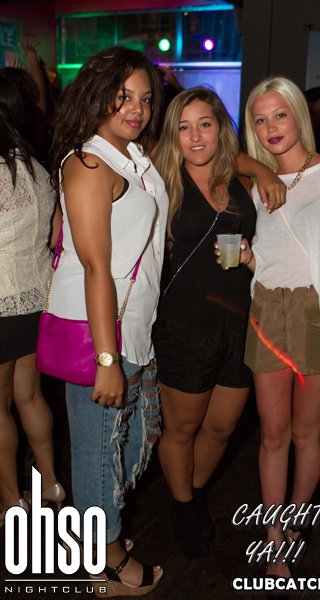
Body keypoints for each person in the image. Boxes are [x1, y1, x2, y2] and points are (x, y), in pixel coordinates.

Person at [229, 76, 320, 580]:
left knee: (304, 432)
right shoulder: (257, 185)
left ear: (299, 116)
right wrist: (248, 258)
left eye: (280, 115)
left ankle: (295, 520)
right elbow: (273, 258)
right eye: (260, 119)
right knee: (272, 435)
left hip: (319, 314)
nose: (271, 127)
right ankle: (273, 538)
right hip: (268, 311)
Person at [49, 47, 168, 596]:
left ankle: (103, 534)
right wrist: (106, 360)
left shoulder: (130, 157)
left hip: (134, 326)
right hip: (100, 335)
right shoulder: (90, 163)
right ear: (98, 96)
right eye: (124, 97)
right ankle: (107, 561)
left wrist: (257, 167)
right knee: (99, 454)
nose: (137, 108)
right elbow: (96, 266)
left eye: (145, 99)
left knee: (133, 442)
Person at [153, 87, 285, 559]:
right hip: (185, 324)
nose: (195, 136)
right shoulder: (163, 179)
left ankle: (191, 492)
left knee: (223, 428)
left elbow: (238, 159)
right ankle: (184, 508)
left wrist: (263, 168)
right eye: (183, 127)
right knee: (182, 430)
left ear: (221, 128)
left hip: (240, 322)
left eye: (204, 124)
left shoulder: (239, 177)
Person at [0, 76, 64, 527]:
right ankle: (50, 483)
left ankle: (10, 500)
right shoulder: (39, 171)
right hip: (38, 297)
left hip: (3, 301)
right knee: (30, 396)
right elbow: (55, 235)